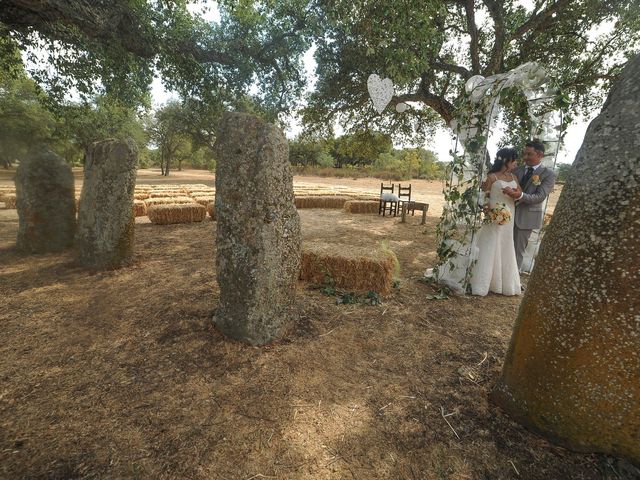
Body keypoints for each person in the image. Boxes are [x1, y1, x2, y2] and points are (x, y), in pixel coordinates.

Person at [470, 147, 521, 296]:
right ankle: (484, 282)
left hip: (509, 217)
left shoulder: (514, 178)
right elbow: (483, 199)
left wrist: (514, 193)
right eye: (514, 160)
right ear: (506, 161)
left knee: (506, 245)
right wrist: (491, 212)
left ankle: (504, 283)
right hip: (494, 218)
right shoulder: (492, 177)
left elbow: (519, 193)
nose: (516, 163)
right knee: (491, 244)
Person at [502, 139, 556, 270]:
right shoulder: (516, 170)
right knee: (502, 247)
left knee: (517, 250)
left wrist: (519, 195)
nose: (525, 157)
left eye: (529, 154)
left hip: (527, 217)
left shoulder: (548, 174)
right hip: (506, 214)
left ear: (540, 155)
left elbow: (539, 196)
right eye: (524, 154)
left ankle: (512, 283)